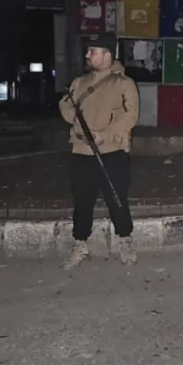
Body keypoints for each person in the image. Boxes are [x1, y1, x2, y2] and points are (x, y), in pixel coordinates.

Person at [58, 40, 140, 268]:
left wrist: (104, 134)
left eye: (92, 51)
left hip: (112, 151)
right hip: (82, 150)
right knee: (82, 200)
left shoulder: (124, 84)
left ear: (106, 55)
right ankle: (80, 243)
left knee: (116, 198)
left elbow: (130, 115)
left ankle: (125, 240)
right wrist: (78, 123)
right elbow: (65, 105)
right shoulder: (79, 82)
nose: (87, 55)